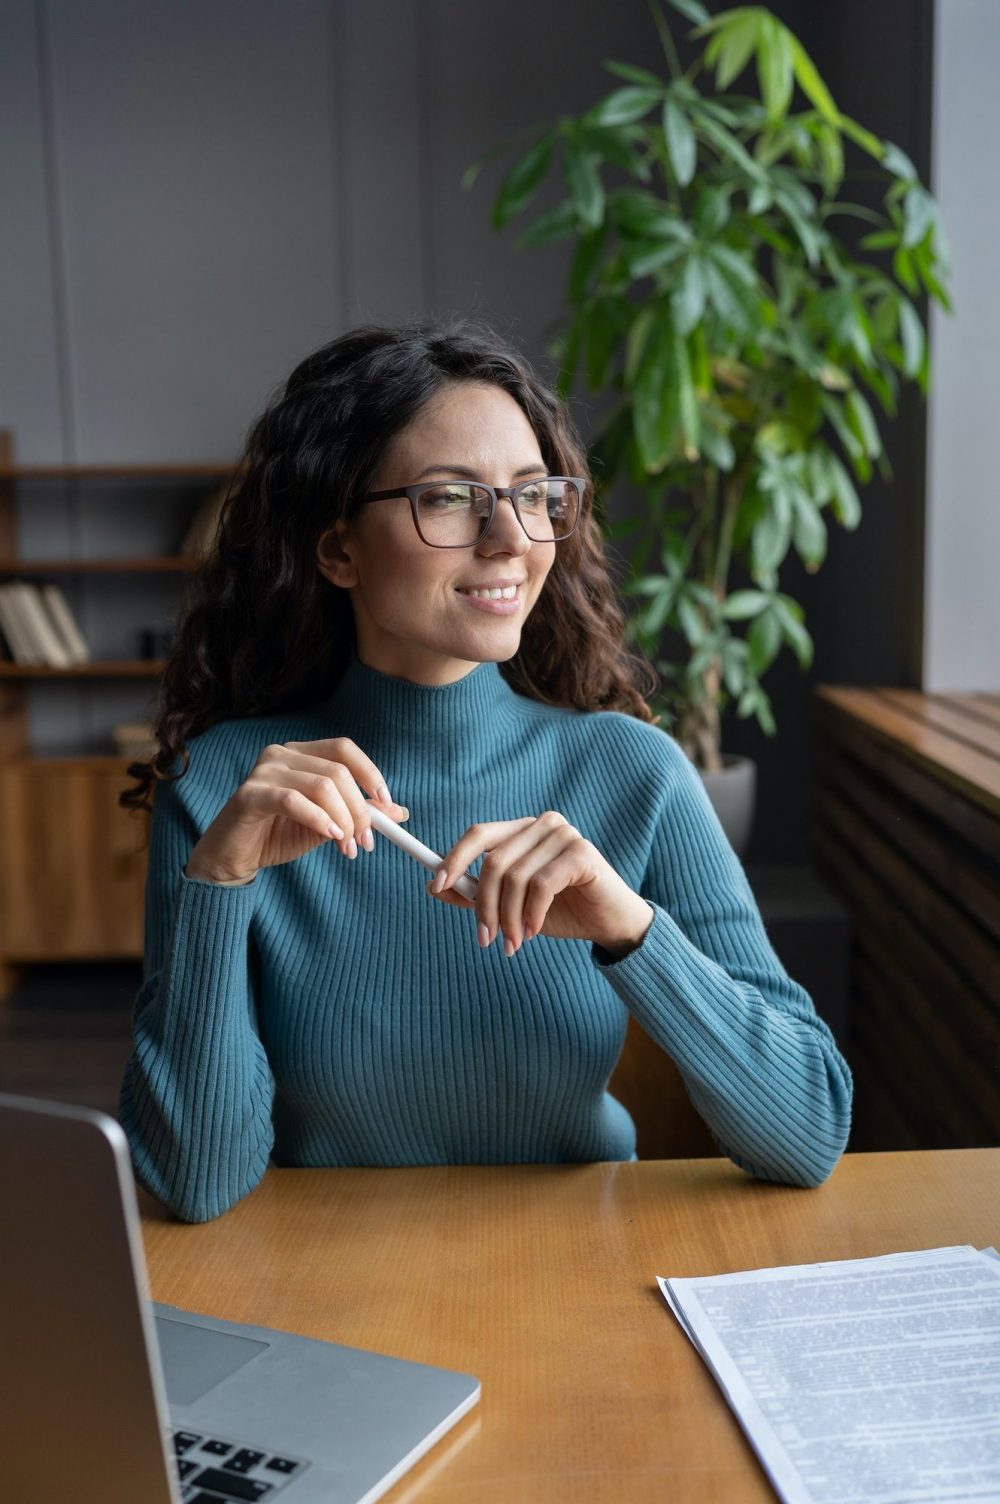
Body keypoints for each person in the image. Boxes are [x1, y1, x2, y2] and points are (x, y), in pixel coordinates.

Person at [119, 319, 852, 1223]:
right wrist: (220, 881)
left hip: (588, 1286)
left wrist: (628, 929)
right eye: (452, 499)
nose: (512, 538)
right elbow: (193, 1183)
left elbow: (809, 1131)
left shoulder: (635, 774)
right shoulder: (226, 791)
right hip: (329, 1304)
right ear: (338, 547)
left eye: (533, 494)